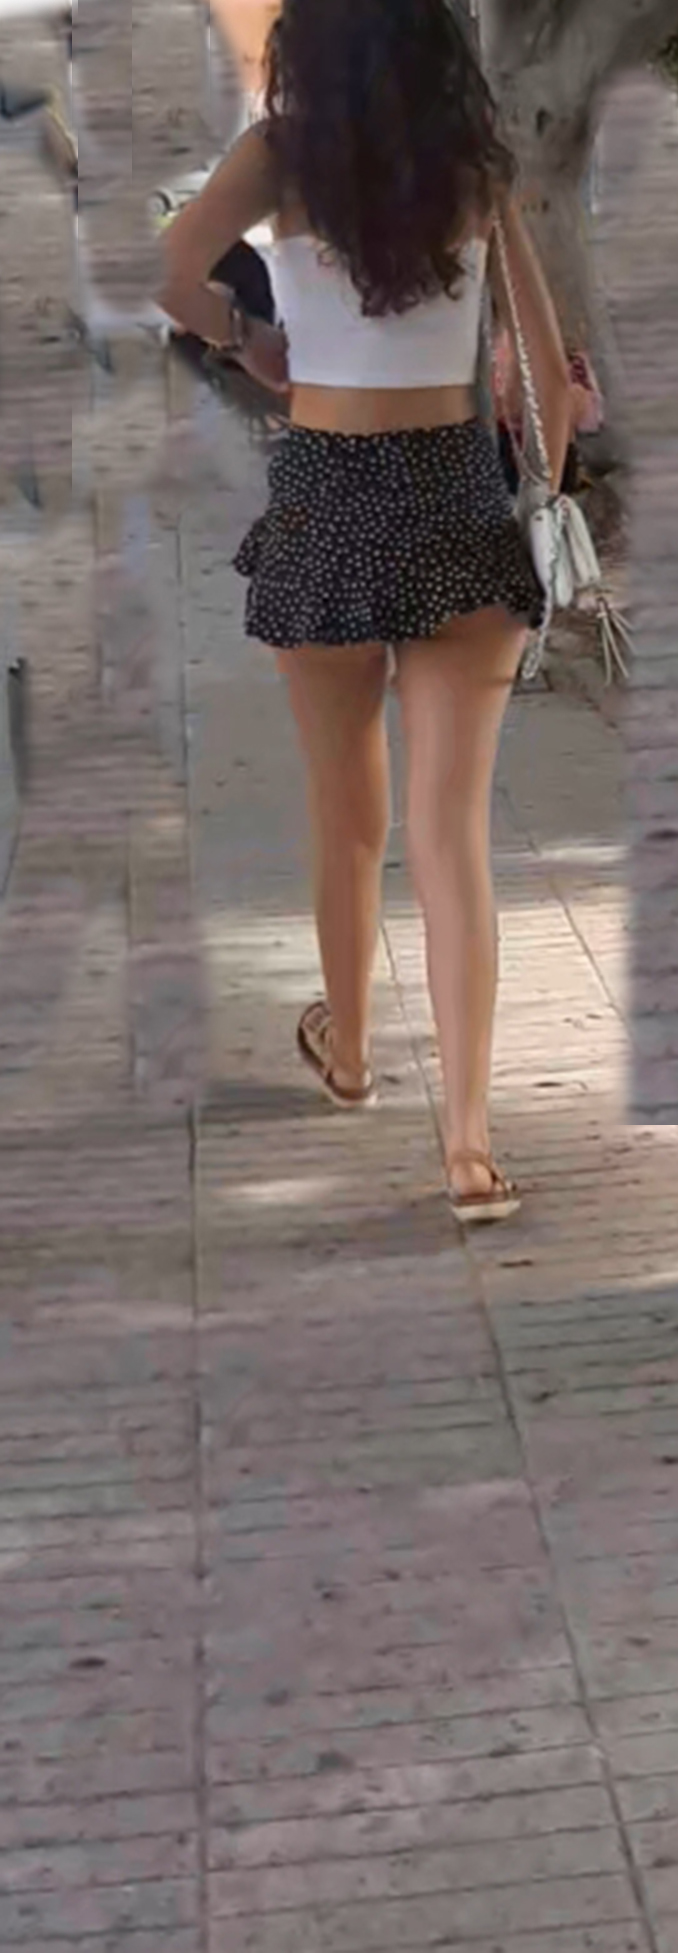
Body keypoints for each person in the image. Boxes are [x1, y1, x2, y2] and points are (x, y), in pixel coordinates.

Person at [161, 0, 571, 1224]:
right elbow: (547, 381)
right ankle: (469, 1149)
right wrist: (542, 494)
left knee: (347, 818)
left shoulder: (282, 154)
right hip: (454, 501)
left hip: (326, 499)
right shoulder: (477, 161)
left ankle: (348, 1058)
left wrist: (250, 340)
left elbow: (169, 271)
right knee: (453, 839)